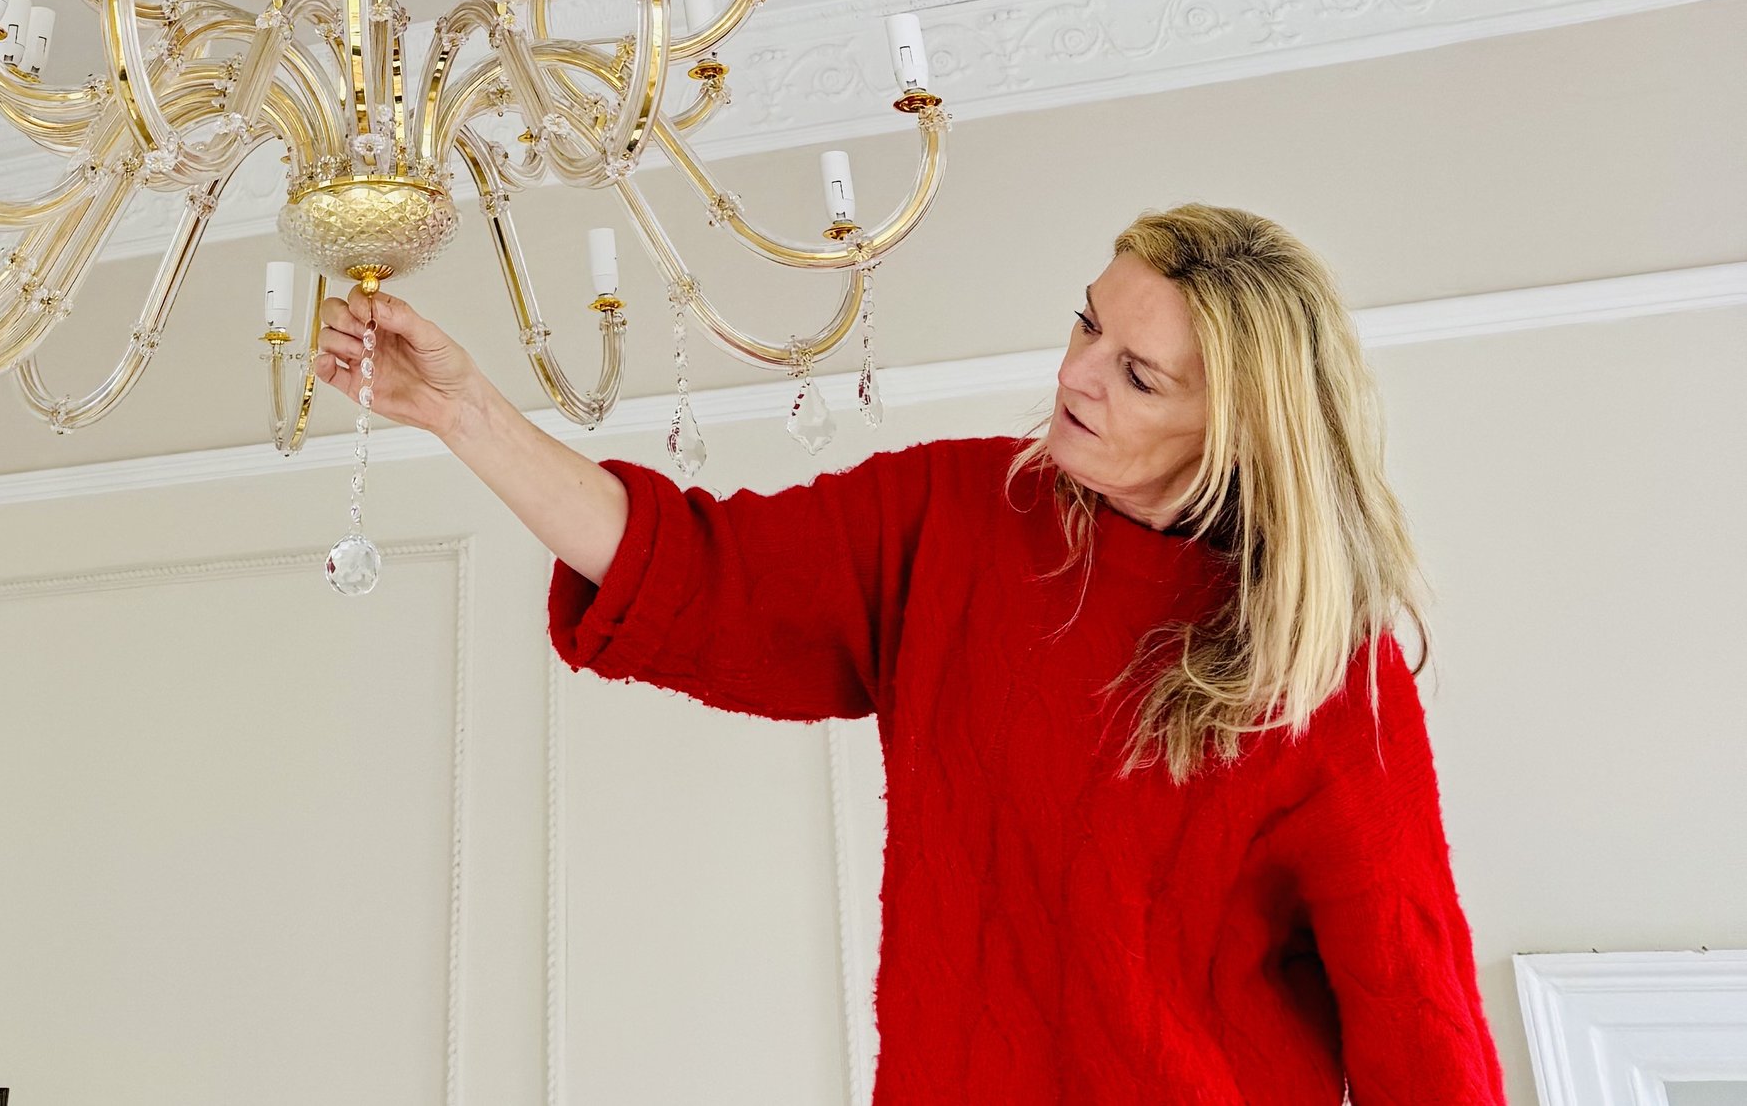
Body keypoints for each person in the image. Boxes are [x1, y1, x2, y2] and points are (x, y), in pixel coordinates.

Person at [316, 200, 1507, 1105]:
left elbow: (1417, 1019)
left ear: (1238, 431)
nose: (1075, 375)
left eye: (1137, 375)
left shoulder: (1324, 677)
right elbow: (696, 574)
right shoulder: (955, 517)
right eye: (1087, 323)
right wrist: (463, 412)